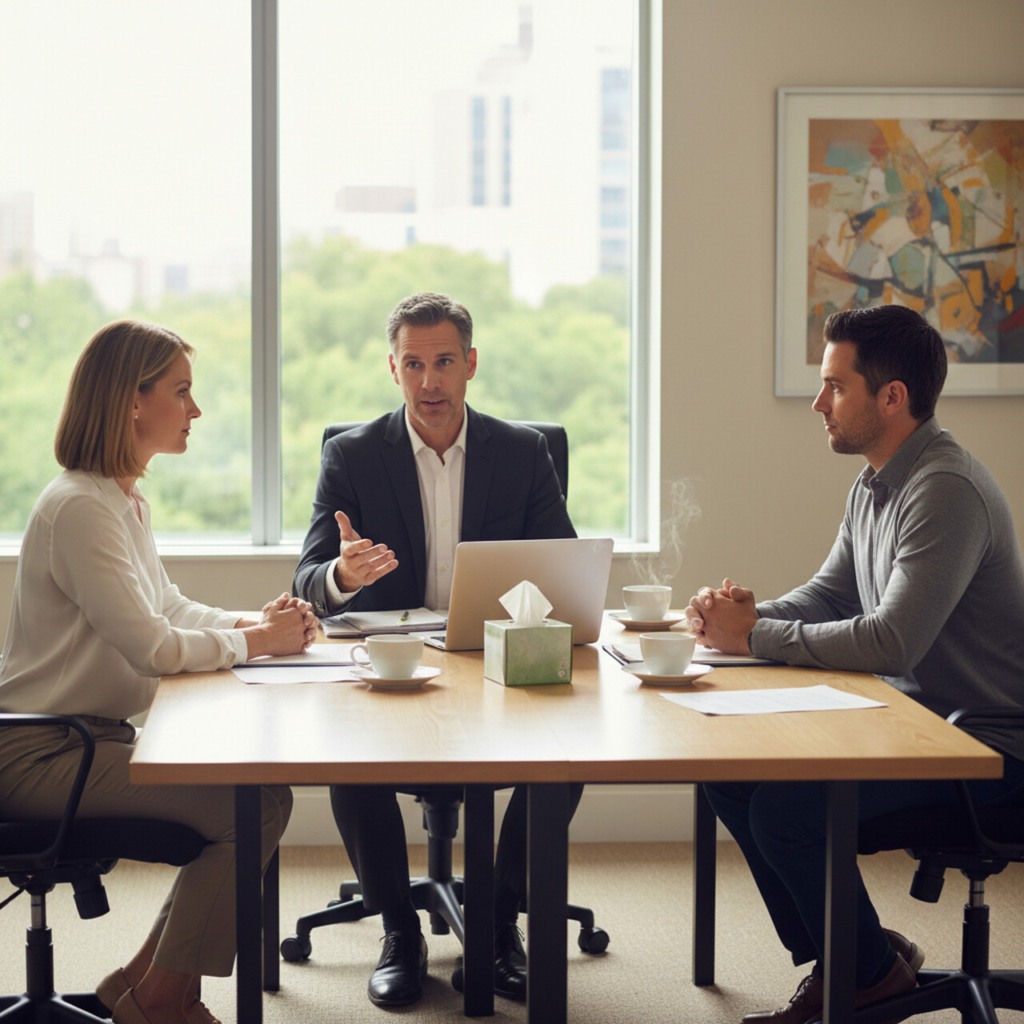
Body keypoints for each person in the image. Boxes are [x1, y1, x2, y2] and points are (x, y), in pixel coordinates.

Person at [684, 303, 1024, 1024]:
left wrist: (754, 636)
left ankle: (864, 976)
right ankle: (859, 957)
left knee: (785, 812)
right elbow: (831, 594)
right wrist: (740, 619)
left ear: (892, 397)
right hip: (913, 728)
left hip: (987, 751)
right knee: (729, 776)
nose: (819, 403)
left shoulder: (945, 489)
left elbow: (890, 642)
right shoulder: (876, 482)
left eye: (836, 387)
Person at [0, 320, 319, 1024]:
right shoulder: (80, 508)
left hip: (87, 739)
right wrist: (258, 643)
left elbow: (168, 607)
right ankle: (163, 1001)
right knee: (249, 809)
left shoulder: (118, 500)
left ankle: (141, 986)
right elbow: (153, 647)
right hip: (42, 753)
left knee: (263, 794)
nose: (195, 410)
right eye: (182, 392)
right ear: (132, 401)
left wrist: (256, 624)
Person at [293, 291, 583, 1008]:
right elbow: (306, 581)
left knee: (569, 754)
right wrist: (342, 575)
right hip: (394, 670)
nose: (430, 382)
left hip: (492, 664)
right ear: (393, 369)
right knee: (349, 760)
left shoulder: (523, 452)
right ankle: (399, 929)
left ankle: (499, 921)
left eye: (445, 362)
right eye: (414, 364)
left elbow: (565, 569)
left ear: (471, 364)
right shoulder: (352, 454)